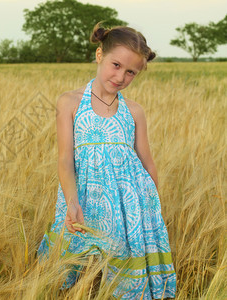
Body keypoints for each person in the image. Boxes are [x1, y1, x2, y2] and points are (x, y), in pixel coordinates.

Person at [36, 21, 177, 300]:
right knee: (74, 261)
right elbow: (65, 159)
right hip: (83, 195)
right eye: (115, 65)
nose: (121, 76)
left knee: (122, 257)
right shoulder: (70, 102)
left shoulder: (134, 111)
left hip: (128, 202)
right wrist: (72, 202)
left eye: (131, 72)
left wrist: (151, 205)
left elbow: (146, 161)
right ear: (99, 55)